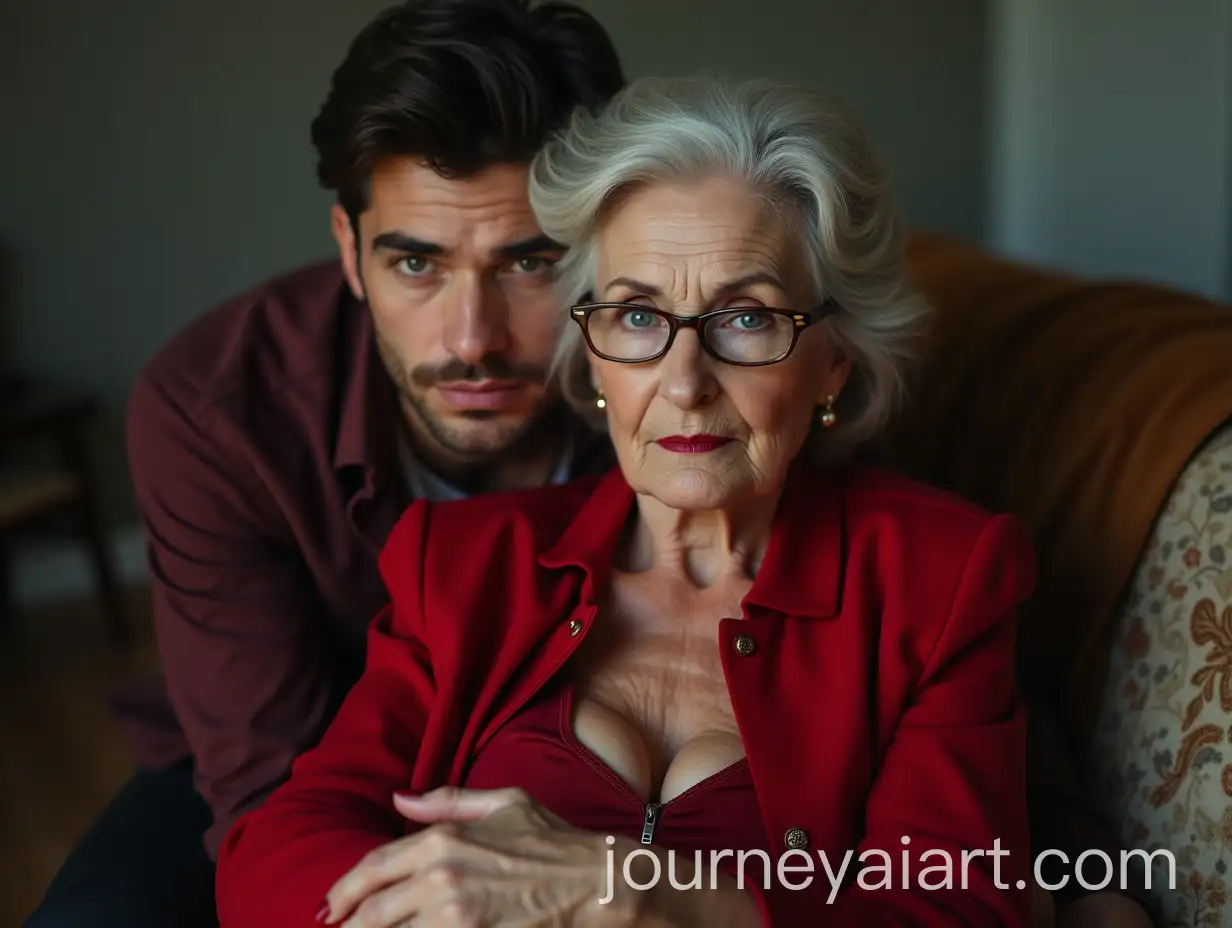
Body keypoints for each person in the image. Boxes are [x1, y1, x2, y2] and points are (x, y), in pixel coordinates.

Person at [214, 74, 1041, 927]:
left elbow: (960, 910)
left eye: (747, 318)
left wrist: (640, 890)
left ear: (835, 358)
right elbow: (277, 853)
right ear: (594, 351)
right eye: (639, 318)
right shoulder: (464, 562)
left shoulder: (939, 581)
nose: (685, 385)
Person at [21, 3, 623, 927]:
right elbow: (263, 782)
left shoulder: (669, 376)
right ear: (350, 252)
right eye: (416, 264)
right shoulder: (218, 408)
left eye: (531, 262)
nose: (472, 340)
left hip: (585, 756)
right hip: (295, 756)